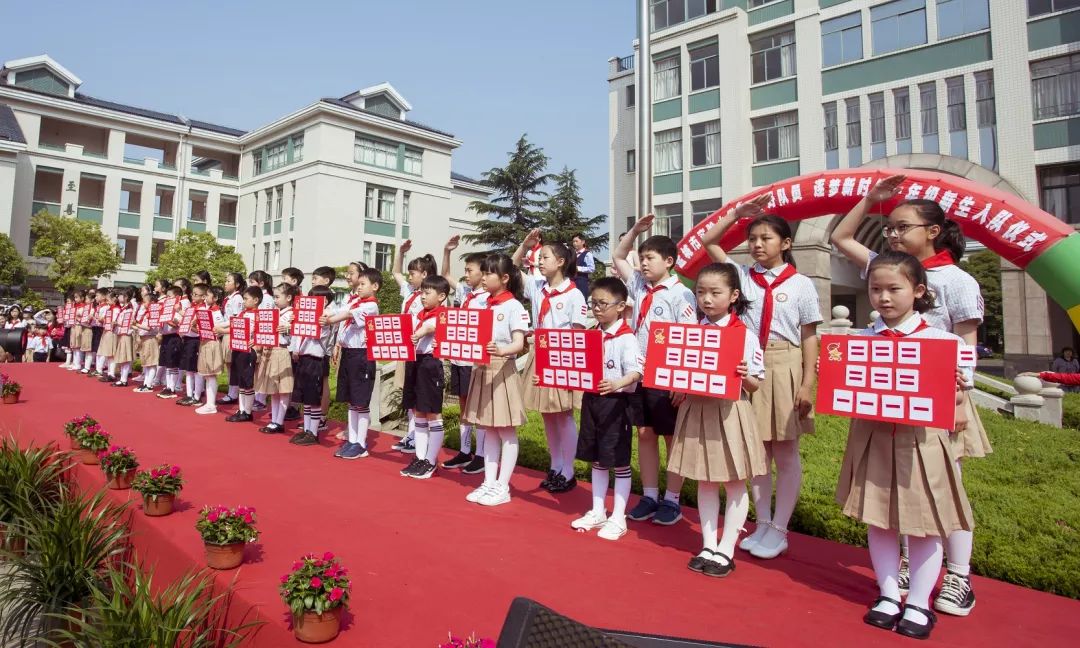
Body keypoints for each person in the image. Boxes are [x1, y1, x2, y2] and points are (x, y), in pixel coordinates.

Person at [831, 174, 985, 616]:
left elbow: (966, 347)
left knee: (942, 489)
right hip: (885, 403)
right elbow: (842, 235)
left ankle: (957, 576)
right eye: (891, 227)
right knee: (891, 489)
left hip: (940, 400)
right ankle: (901, 573)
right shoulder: (885, 268)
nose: (893, 234)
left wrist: (957, 398)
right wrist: (870, 200)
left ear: (933, 231)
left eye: (903, 227)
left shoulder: (956, 281)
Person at [700, 196, 822, 561]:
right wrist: (736, 215)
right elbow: (710, 243)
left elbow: (810, 336)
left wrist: (806, 383)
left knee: (784, 449)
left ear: (786, 243)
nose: (756, 244)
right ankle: (761, 522)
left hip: (785, 363)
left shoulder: (801, 284)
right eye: (752, 238)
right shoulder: (740, 277)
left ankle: (780, 527)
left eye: (766, 238)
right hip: (742, 365)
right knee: (754, 451)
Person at [668, 263, 766, 578]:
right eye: (700, 292)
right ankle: (708, 543)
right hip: (696, 408)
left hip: (730, 411)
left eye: (715, 293)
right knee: (704, 478)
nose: (707, 299)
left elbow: (755, 384)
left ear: (734, 295)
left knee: (735, 480)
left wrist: (744, 375)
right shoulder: (691, 332)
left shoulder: (744, 335)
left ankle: (727, 547)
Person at [612, 215, 697, 526]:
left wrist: (683, 381)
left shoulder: (680, 294)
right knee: (644, 434)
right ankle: (649, 494)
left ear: (669, 261)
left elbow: (689, 340)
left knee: (672, 438)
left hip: (667, 376)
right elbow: (619, 256)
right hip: (639, 374)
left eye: (650, 258)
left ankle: (672, 499)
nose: (644, 264)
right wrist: (634, 231)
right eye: (643, 258)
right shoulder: (638, 285)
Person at [512, 229, 588, 493]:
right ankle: (555, 466)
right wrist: (525, 244)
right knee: (547, 413)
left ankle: (569, 470)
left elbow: (578, 333)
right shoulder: (538, 288)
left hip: (562, 357)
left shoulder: (573, 294)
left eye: (545, 257)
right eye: (539, 257)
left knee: (564, 414)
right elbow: (511, 268)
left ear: (561, 262)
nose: (540, 261)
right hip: (539, 353)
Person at [568, 277, 642, 541]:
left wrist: (616, 384)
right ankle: (598, 509)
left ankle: (619, 516)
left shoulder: (626, 338)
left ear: (621, 306)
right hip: (592, 400)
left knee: (618, 460)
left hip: (616, 403)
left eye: (603, 303)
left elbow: (636, 371)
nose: (597, 308)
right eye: (594, 303)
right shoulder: (592, 334)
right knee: (597, 458)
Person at [462, 254, 530, 507]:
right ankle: (489, 481)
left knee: (506, 430)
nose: (484, 277)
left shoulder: (514, 307)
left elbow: (519, 343)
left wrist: (501, 350)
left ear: (504, 278)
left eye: (489, 273)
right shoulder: (482, 305)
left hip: (502, 369)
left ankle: (503, 485)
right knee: (488, 428)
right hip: (482, 368)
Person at [320, 263, 381, 459]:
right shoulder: (355, 301)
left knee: (360, 401)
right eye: (359, 283)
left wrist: (329, 321)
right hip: (349, 354)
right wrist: (323, 313)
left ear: (375, 287)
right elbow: (338, 310)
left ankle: (361, 444)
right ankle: (352, 440)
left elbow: (345, 315)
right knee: (351, 402)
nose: (359, 286)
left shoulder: (371, 306)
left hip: (362, 355)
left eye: (363, 283)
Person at [439, 237, 489, 474]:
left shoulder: (488, 299)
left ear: (484, 272)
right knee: (463, 404)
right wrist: (447, 252)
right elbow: (446, 275)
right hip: (459, 358)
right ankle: (465, 450)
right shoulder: (465, 292)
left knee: (476, 407)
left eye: (470, 270)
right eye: (466, 270)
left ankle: (481, 454)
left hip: (475, 361)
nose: (466, 275)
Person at [400, 275, 452, 479]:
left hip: (431, 364)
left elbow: (431, 327)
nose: (423, 296)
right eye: (422, 292)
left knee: (432, 413)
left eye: (427, 292)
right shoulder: (419, 314)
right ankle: (420, 458)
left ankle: (431, 460)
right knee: (418, 412)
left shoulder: (442, 315)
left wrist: (420, 332)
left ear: (441, 296)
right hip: (415, 362)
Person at [392, 240, 437, 454]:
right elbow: (395, 273)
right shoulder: (409, 291)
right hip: (406, 347)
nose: (410, 277)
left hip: (421, 349)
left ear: (425, 274)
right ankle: (411, 435)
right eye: (409, 273)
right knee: (409, 395)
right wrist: (399, 253)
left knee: (420, 398)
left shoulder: (430, 296)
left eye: (414, 273)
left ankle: (418, 437)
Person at [289, 284, 337, 446]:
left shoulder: (327, 316)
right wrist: (296, 350)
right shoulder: (304, 314)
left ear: (325, 301)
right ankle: (307, 430)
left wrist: (316, 319)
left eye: (316, 298)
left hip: (316, 359)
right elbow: (297, 334)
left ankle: (313, 432)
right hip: (303, 357)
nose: (311, 301)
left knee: (313, 397)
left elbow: (319, 333)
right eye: (310, 297)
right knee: (305, 397)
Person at [254, 283, 296, 434]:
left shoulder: (292, 314)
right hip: (270, 350)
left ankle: (279, 421)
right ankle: (274, 420)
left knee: (282, 389)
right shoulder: (276, 312)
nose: (275, 300)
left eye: (278, 297)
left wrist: (289, 327)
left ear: (289, 297)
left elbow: (292, 335)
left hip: (281, 351)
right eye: (274, 297)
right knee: (274, 389)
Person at [224, 287, 262, 423]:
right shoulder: (243, 314)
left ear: (256, 300)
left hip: (248, 352)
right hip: (238, 350)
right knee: (240, 381)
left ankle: (247, 411)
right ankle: (241, 410)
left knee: (247, 383)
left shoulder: (259, 316)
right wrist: (221, 329)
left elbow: (263, 332)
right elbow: (233, 327)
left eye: (246, 299)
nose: (244, 301)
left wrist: (256, 340)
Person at [309, 266, 337, 434]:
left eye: (315, 278)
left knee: (323, 382)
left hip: (323, 350)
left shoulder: (330, 304)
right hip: (311, 349)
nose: (312, 281)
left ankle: (322, 417)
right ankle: (312, 417)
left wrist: (334, 348)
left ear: (326, 281)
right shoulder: (316, 300)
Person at [194, 286, 227, 415]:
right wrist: (193, 327)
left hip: (212, 343)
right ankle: (209, 403)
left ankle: (211, 404)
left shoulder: (217, 312)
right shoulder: (206, 311)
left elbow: (217, 330)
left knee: (210, 374)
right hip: (205, 342)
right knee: (207, 374)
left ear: (216, 298)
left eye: (207, 295)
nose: (205, 298)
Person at [219, 273, 247, 406]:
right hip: (225, 332)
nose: (225, 283)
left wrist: (221, 327)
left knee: (232, 365)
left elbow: (236, 319)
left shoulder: (238, 299)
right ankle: (232, 391)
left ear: (237, 285)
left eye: (228, 281)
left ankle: (233, 393)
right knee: (229, 364)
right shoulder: (228, 298)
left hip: (231, 333)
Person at [176, 284, 206, 407]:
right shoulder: (192, 308)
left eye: (196, 294)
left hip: (196, 341)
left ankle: (197, 396)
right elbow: (188, 318)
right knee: (188, 369)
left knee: (196, 370)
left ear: (204, 296)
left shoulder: (203, 309)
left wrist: (191, 326)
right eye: (192, 293)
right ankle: (189, 395)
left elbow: (200, 329)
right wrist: (179, 312)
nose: (193, 296)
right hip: (187, 340)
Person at [132, 288, 160, 394]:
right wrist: (134, 326)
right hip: (145, 339)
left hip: (150, 339)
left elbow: (149, 328)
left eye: (145, 301)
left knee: (151, 363)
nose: (144, 304)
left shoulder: (154, 312)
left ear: (152, 302)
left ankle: (149, 385)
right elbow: (142, 328)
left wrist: (136, 324)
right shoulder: (147, 313)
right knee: (147, 363)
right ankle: (146, 383)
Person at [110, 287, 136, 387]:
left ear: (125, 297)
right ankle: (122, 378)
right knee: (122, 357)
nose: (118, 297)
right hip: (121, 334)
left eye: (120, 295)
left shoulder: (129, 308)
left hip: (126, 334)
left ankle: (124, 379)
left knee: (125, 358)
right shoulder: (123, 308)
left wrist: (117, 323)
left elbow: (128, 323)